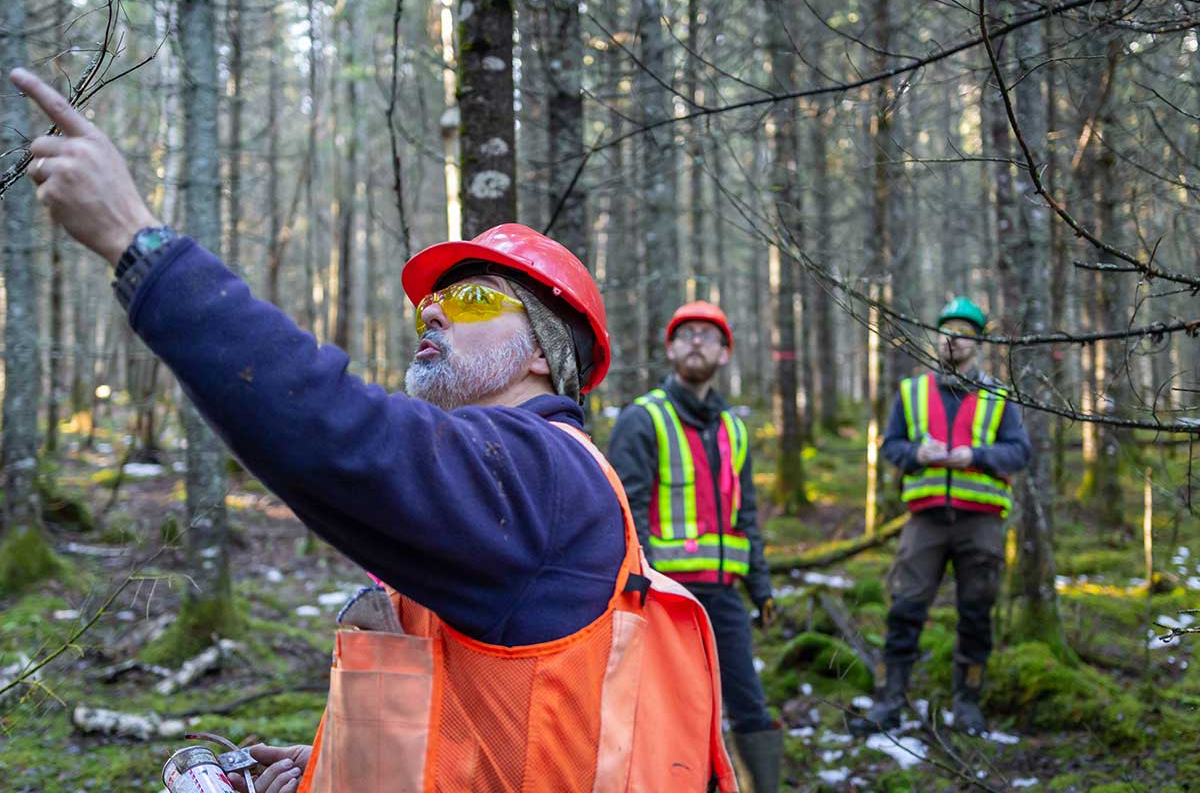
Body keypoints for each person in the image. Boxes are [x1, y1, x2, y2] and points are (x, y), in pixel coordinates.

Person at [8, 67, 739, 792]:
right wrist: (336, 761)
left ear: (546, 355)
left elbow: (336, 433)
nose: (435, 312)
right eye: (433, 301)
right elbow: (490, 723)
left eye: (477, 299)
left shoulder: (542, 473)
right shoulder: (509, 488)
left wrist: (140, 248)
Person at [608, 302, 783, 792]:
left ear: (725, 353)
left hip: (725, 597)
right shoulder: (644, 420)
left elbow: (746, 516)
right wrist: (640, 583)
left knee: (747, 701)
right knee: (676, 707)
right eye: (686, 335)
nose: (697, 342)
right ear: (669, 350)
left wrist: (761, 587)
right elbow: (628, 510)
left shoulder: (734, 428)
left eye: (708, 335)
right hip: (667, 598)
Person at [852, 296, 1031, 737]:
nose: (953, 340)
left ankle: (967, 704)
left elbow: (1020, 451)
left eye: (964, 333)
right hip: (925, 522)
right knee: (906, 608)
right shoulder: (912, 392)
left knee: (976, 612)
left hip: (981, 523)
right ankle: (891, 699)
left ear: (978, 343)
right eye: (946, 331)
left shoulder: (998, 396)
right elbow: (891, 445)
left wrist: (976, 455)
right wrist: (916, 453)